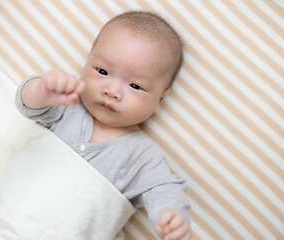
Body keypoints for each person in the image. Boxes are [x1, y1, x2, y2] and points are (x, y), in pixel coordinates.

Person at [16, 11, 191, 240]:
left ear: (159, 99)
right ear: (87, 61)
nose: (112, 91)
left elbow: (164, 189)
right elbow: (27, 104)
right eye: (102, 72)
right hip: (9, 211)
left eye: (135, 86)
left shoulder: (143, 156)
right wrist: (42, 90)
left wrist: (171, 216)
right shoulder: (67, 106)